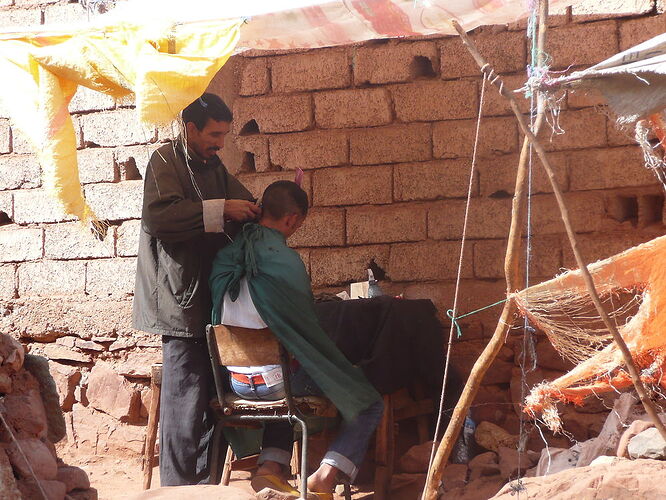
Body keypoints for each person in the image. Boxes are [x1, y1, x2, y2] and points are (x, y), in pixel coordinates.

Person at [209, 181, 384, 498]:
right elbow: (307, 332)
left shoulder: (227, 256)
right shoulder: (285, 263)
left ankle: (270, 468)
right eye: (298, 224)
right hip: (277, 384)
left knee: (286, 375)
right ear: (291, 219)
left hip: (232, 383)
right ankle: (325, 477)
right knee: (366, 399)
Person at [132, 93, 261, 486]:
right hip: (177, 300)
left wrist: (257, 210)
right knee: (183, 402)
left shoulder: (213, 165)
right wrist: (222, 209)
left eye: (224, 135)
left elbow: (243, 201)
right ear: (191, 129)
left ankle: (203, 489)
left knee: (212, 401)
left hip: (208, 300)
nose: (220, 142)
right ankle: (176, 489)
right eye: (214, 134)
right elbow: (160, 219)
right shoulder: (164, 162)